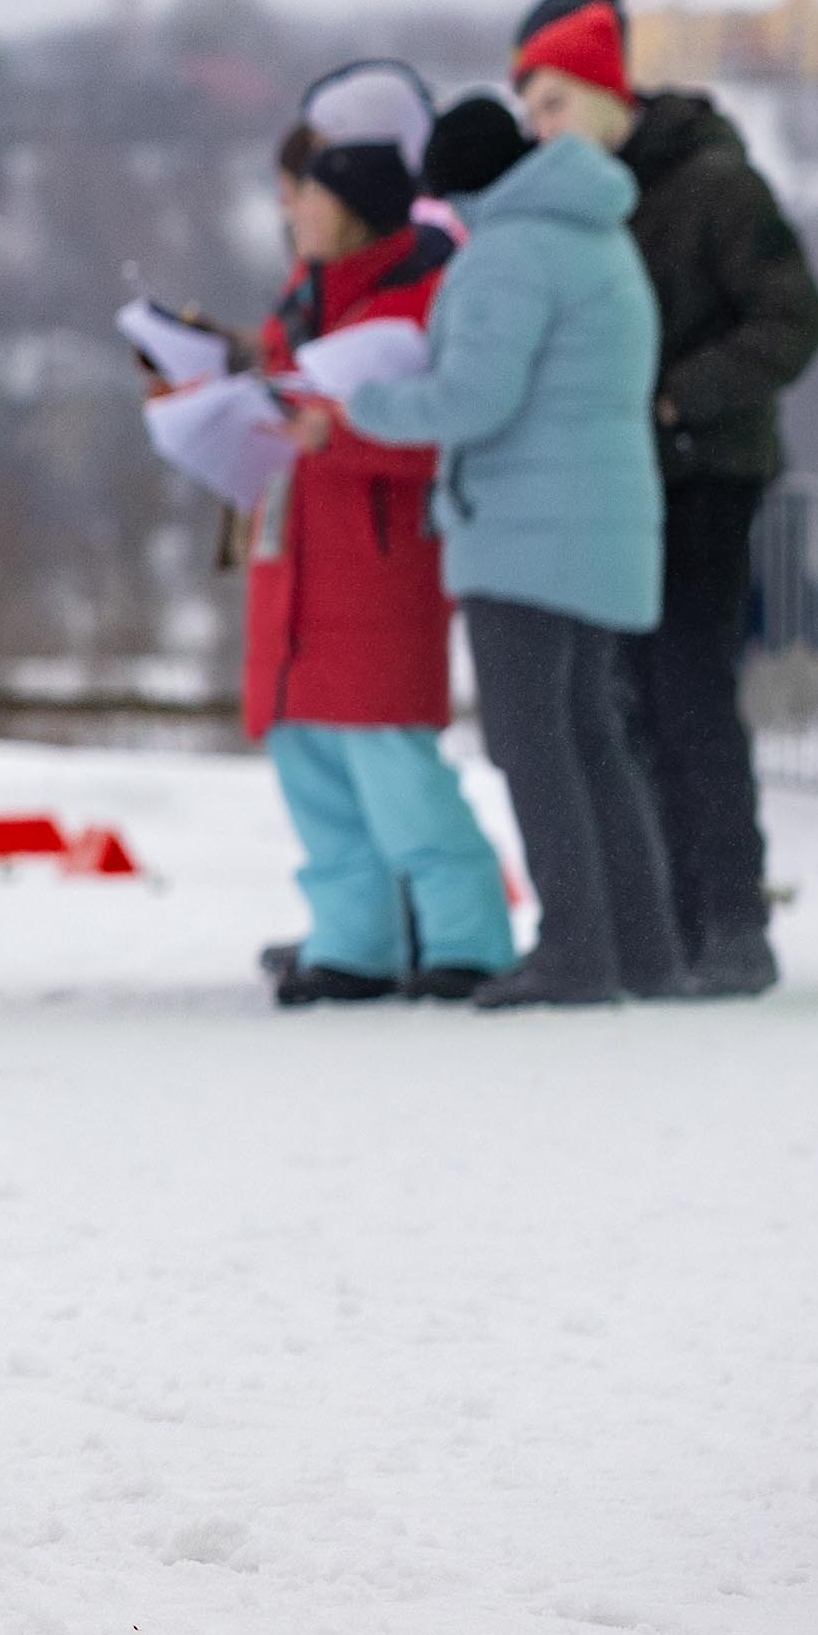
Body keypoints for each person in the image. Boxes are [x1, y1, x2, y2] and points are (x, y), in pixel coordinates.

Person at [303, 92, 680, 1007]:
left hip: (525, 535)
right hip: (602, 525)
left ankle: (576, 955)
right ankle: (641, 951)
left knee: (535, 746)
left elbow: (475, 398)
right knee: (593, 739)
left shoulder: (507, 252)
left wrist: (361, 407)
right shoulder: (595, 232)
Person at [509, 0, 818, 998]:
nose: (540, 130)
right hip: (622, 482)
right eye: (530, 112)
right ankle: (671, 918)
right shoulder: (582, 202)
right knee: (628, 701)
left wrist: (681, 397)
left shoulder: (713, 186)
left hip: (708, 476)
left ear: (606, 94)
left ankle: (732, 918)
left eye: (554, 104)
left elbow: (793, 319)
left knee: (690, 695)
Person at [237, 111, 511, 1003]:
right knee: (311, 763)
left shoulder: (423, 303)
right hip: (293, 558)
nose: (291, 212)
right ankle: (353, 942)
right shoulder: (302, 299)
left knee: (395, 768)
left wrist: (339, 432)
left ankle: (467, 937)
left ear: (351, 207)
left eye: (306, 198)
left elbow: (449, 433)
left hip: (375, 566)